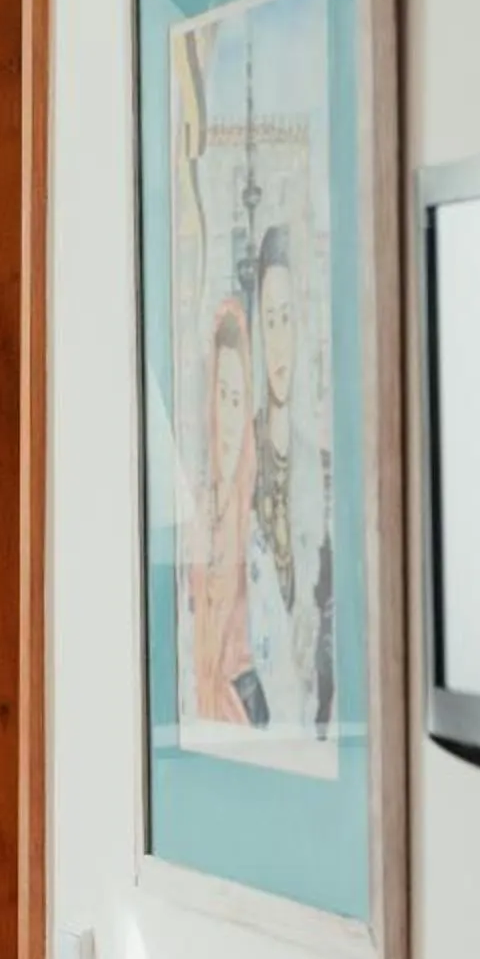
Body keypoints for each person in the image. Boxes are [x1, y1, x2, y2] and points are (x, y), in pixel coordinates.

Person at [246, 225, 334, 739]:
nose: (280, 338)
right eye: (270, 320)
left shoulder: (316, 464)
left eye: (288, 319)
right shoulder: (243, 459)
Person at [185, 299, 264, 724]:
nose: (230, 417)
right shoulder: (198, 511)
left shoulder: (255, 519)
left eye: (239, 400)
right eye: (222, 396)